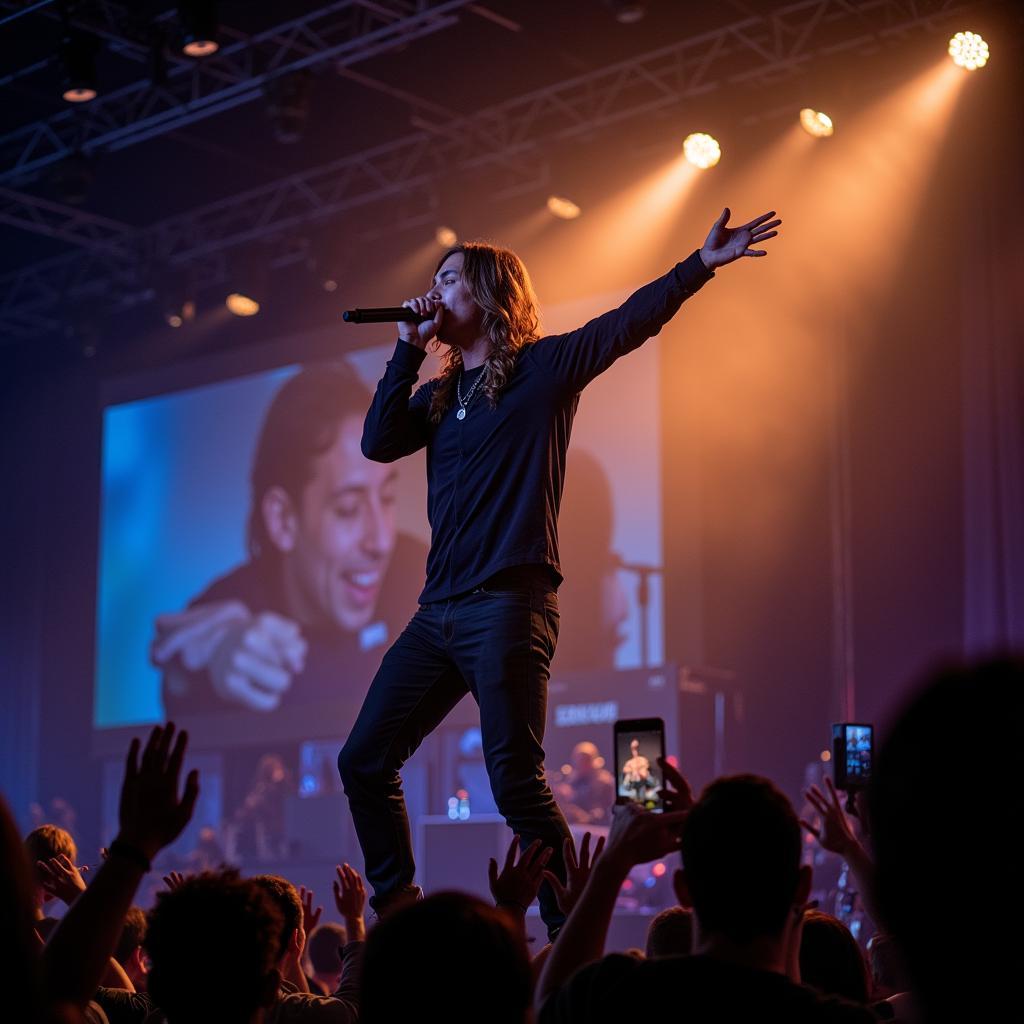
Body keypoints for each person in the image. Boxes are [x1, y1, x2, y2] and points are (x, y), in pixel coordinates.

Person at [338, 208, 782, 938]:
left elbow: (624, 325)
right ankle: (397, 911)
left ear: (486, 295)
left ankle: (572, 924)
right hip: (437, 611)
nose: (434, 291)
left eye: (448, 279)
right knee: (364, 759)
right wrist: (404, 350)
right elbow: (378, 443)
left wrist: (698, 266)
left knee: (515, 780)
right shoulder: (440, 396)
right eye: (433, 280)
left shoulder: (541, 372)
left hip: (509, 603)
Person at [151, 364, 427, 718]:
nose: (381, 542)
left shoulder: (421, 575)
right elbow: (178, 696)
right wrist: (194, 679)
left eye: (387, 498)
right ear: (282, 519)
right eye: (348, 509)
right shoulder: (227, 621)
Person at [536, 763, 875, 1023]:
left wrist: (612, 865)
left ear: (683, 890)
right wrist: (850, 847)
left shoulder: (621, 993)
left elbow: (550, 1003)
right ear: (802, 890)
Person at [555, 741, 615, 825]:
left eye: (584, 760)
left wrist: (586, 817)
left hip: (599, 829)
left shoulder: (606, 782)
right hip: (578, 828)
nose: (580, 764)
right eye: (578, 760)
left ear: (593, 760)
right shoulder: (572, 780)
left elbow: (607, 813)